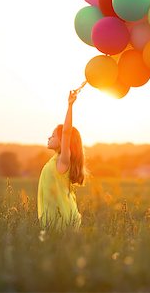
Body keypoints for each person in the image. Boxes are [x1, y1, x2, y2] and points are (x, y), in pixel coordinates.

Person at [37, 85, 86, 231]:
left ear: (62, 142)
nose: (49, 137)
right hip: (52, 218)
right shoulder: (55, 160)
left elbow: (66, 132)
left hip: (62, 218)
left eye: (53, 135)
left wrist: (70, 105)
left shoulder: (63, 161)